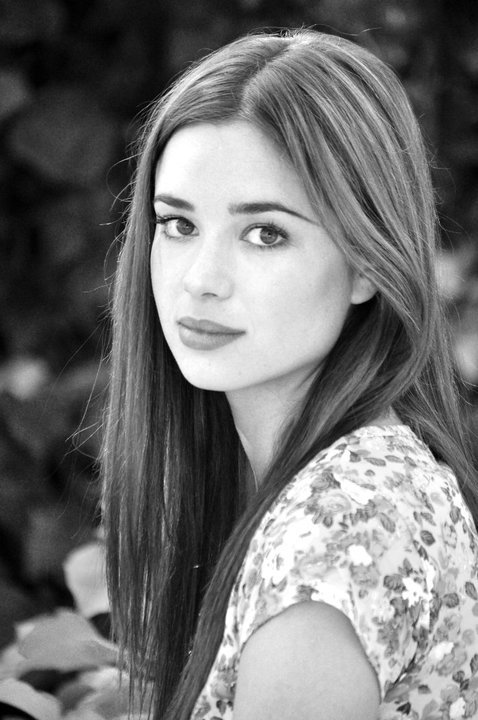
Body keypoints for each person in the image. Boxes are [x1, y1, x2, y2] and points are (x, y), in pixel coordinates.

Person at [101, 28, 478, 720]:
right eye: (178, 224)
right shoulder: (341, 481)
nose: (201, 280)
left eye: (265, 233)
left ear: (368, 262)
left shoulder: (340, 529)